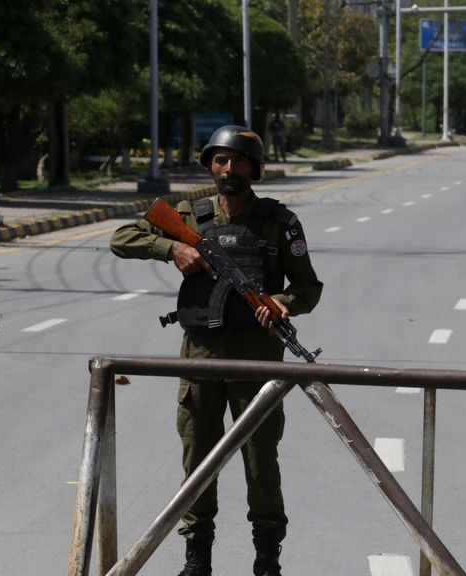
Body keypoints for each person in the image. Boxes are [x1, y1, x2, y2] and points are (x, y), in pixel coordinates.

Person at [111, 125, 323, 576]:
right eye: (221, 160)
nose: (229, 168)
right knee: (197, 459)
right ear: (209, 164)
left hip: (258, 360)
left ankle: (267, 558)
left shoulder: (279, 222)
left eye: (240, 160)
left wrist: (280, 304)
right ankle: (197, 557)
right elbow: (121, 238)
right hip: (200, 357)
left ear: (255, 168)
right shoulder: (188, 214)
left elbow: (308, 287)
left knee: (261, 460)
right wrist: (171, 248)